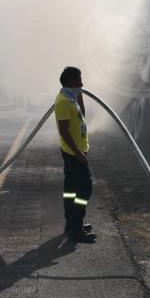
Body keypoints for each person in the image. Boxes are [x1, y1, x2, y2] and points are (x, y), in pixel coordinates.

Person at [54, 66, 95, 243]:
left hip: (75, 151)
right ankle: (76, 230)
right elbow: (63, 130)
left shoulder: (71, 98)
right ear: (71, 82)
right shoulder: (63, 101)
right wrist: (78, 152)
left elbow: (82, 116)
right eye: (79, 81)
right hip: (73, 153)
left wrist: (79, 95)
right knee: (85, 189)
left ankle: (71, 224)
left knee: (70, 189)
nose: (82, 84)